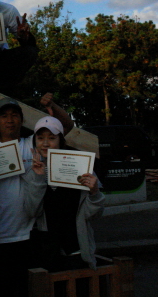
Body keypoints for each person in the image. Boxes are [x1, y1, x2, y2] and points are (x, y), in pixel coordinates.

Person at [0, 94, 74, 297]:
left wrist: (52, 105)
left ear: (21, 120)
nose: (10, 120)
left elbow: (66, 127)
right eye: (4, 116)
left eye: (15, 115)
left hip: (29, 236)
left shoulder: (30, 144)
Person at [23, 116, 105, 271]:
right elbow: (32, 212)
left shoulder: (82, 168)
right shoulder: (32, 174)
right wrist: (38, 179)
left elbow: (94, 215)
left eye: (51, 138)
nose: (45, 143)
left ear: (61, 140)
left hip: (77, 250)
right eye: (40, 138)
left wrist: (94, 193)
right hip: (48, 252)